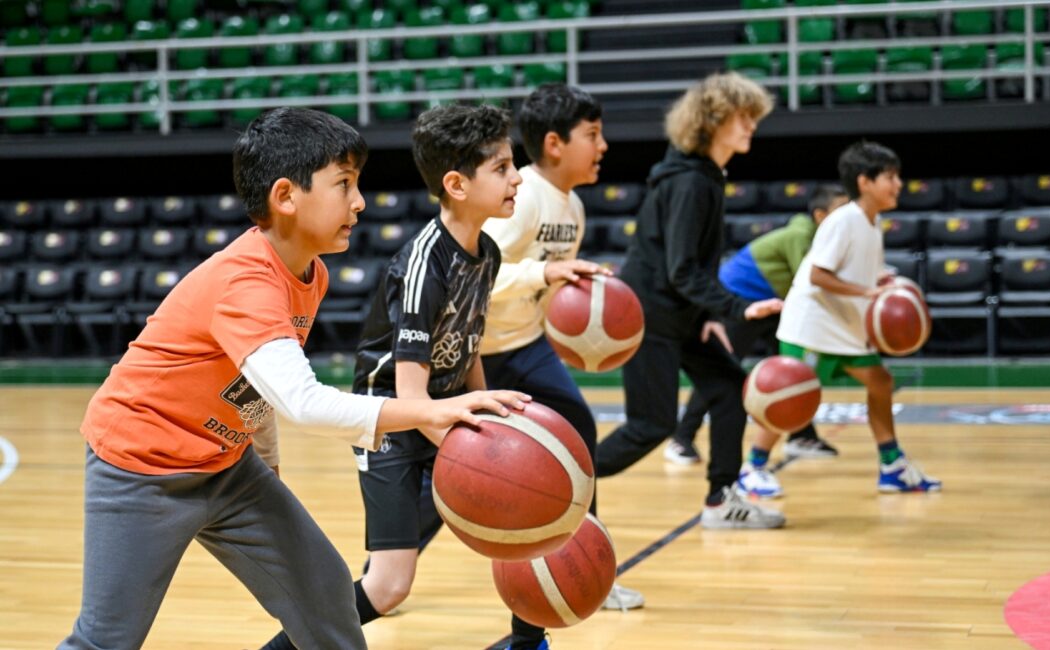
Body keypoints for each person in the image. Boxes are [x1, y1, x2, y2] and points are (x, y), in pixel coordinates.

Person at [59, 107, 528, 650]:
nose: (359, 202)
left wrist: (269, 467)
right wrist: (425, 410)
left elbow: (257, 386)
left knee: (324, 588)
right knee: (106, 640)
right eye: (344, 184)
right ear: (286, 197)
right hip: (141, 468)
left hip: (226, 466)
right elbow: (302, 401)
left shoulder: (310, 271)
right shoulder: (245, 282)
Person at [261, 104, 524, 650]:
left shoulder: (489, 253)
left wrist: (490, 412)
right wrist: (484, 452)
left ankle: (528, 640)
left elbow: (469, 343)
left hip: (440, 414)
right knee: (388, 586)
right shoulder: (424, 263)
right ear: (455, 184)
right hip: (394, 426)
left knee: (522, 519)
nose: (517, 177)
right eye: (501, 168)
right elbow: (409, 395)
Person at [479, 83, 643, 650]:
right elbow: (479, 277)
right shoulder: (523, 196)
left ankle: (578, 568)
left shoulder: (570, 203)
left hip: (525, 344)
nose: (604, 147)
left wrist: (590, 321)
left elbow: (549, 286)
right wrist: (544, 277)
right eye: (593, 135)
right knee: (457, 484)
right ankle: (386, 573)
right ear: (553, 143)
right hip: (479, 354)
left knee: (577, 432)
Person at [593, 72, 787, 530]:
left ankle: (722, 499)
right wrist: (736, 308)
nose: (751, 126)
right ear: (713, 122)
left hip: (678, 313)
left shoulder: (705, 176)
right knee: (650, 426)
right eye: (742, 117)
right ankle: (562, 481)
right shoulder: (690, 183)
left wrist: (705, 315)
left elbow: (685, 266)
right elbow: (681, 269)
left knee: (728, 390)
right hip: (651, 316)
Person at [775, 140, 942, 493]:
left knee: (880, 382)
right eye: (891, 177)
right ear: (865, 182)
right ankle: (752, 469)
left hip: (843, 326)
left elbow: (866, 271)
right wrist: (867, 293)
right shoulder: (844, 220)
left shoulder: (871, 221)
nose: (898, 185)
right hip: (813, 326)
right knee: (788, 398)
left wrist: (887, 281)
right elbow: (818, 274)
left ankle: (891, 465)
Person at [665, 185, 850, 493]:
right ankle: (682, 438)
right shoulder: (801, 238)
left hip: (771, 304)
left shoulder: (820, 238)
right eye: (841, 212)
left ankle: (802, 435)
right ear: (821, 216)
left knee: (793, 367)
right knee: (720, 369)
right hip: (738, 302)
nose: (848, 220)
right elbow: (809, 284)